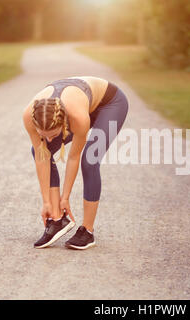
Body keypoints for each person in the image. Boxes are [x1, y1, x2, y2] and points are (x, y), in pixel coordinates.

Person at [22, 76, 129, 250]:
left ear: (63, 123)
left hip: (109, 104)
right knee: (40, 150)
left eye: (53, 134)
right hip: (80, 103)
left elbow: (73, 157)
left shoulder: (77, 117)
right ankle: (57, 219)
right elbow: (42, 156)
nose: (48, 139)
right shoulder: (29, 116)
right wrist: (47, 202)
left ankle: (87, 231)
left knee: (90, 160)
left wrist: (66, 197)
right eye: (44, 134)